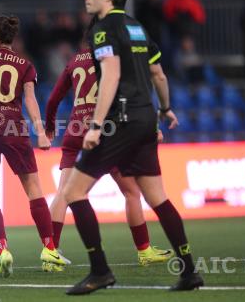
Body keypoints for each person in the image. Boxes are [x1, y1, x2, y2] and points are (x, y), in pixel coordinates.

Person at [62, 0, 203, 295]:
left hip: (120, 121)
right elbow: (158, 73)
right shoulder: (136, 27)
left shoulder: (102, 30)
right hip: (145, 120)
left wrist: (96, 125)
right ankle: (190, 272)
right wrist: (165, 108)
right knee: (158, 198)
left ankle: (100, 270)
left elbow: (110, 76)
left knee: (73, 193)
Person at [45, 46, 172, 269]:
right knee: (131, 191)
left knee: (64, 193)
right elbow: (131, 98)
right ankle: (144, 250)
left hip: (75, 131)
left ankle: (50, 250)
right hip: (105, 132)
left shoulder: (74, 61)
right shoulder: (111, 60)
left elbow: (53, 99)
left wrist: (49, 126)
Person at [0, 15, 67, 277]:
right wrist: (40, 132)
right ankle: (49, 247)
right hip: (13, 127)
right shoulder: (25, 65)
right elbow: (30, 100)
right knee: (34, 189)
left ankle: (3, 250)